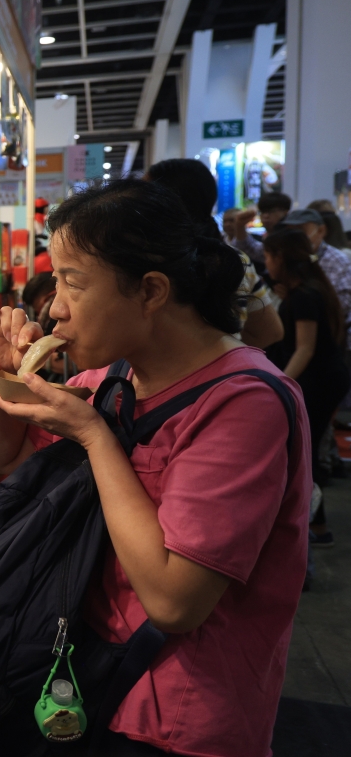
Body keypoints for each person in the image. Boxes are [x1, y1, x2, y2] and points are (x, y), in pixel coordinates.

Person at [0, 179, 309, 757]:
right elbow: (1, 456)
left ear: (151, 290)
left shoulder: (245, 403)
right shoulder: (112, 379)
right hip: (91, 679)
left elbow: (174, 602)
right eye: (56, 281)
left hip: (181, 719)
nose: (54, 307)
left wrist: (93, 436)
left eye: (74, 282)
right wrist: (8, 377)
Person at [263, 228, 350, 547]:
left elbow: (305, 349)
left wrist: (280, 385)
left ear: (281, 257)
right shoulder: (305, 291)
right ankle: (316, 525)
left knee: (305, 452)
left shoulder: (305, 296)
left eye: (268, 256)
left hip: (317, 381)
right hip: (322, 378)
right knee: (306, 450)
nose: (265, 262)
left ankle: (317, 527)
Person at [145, 158, 282, 349]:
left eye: (143, 194)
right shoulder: (235, 258)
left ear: (161, 201)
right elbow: (271, 332)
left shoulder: (147, 259)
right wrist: (227, 353)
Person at [277, 208, 351, 337]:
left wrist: (297, 300)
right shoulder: (289, 257)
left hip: (330, 333)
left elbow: (342, 306)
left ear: (321, 231)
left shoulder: (337, 260)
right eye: (290, 233)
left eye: (300, 232)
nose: (295, 239)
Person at [227, 191, 292, 262]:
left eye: (271, 211)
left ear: (285, 212)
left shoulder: (290, 238)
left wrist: (240, 226)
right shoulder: (269, 237)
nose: (266, 216)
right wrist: (240, 226)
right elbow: (251, 249)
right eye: (262, 212)